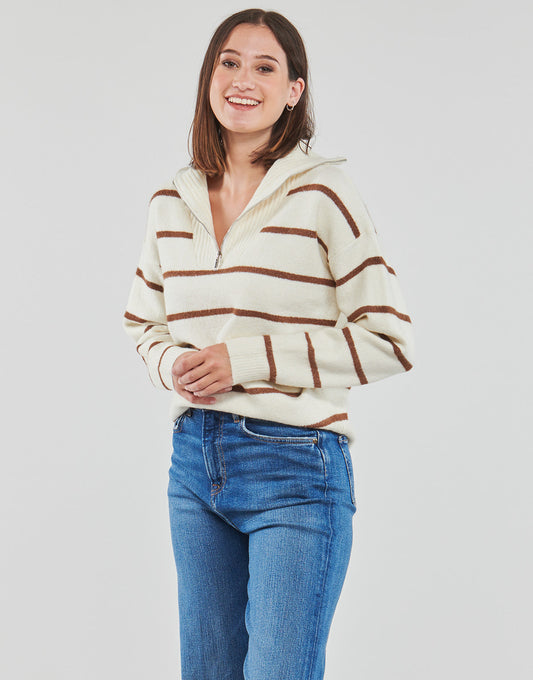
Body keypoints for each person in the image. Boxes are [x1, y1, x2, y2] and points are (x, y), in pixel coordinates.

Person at [122, 8, 414, 680]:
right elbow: (143, 323)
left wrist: (243, 360)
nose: (242, 80)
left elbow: (388, 339)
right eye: (229, 62)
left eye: (264, 67)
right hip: (194, 463)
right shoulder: (171, 200)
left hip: (296, 466)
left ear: (293, 90)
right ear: (209, 76)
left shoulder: (323, 194)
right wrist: (174, 365)